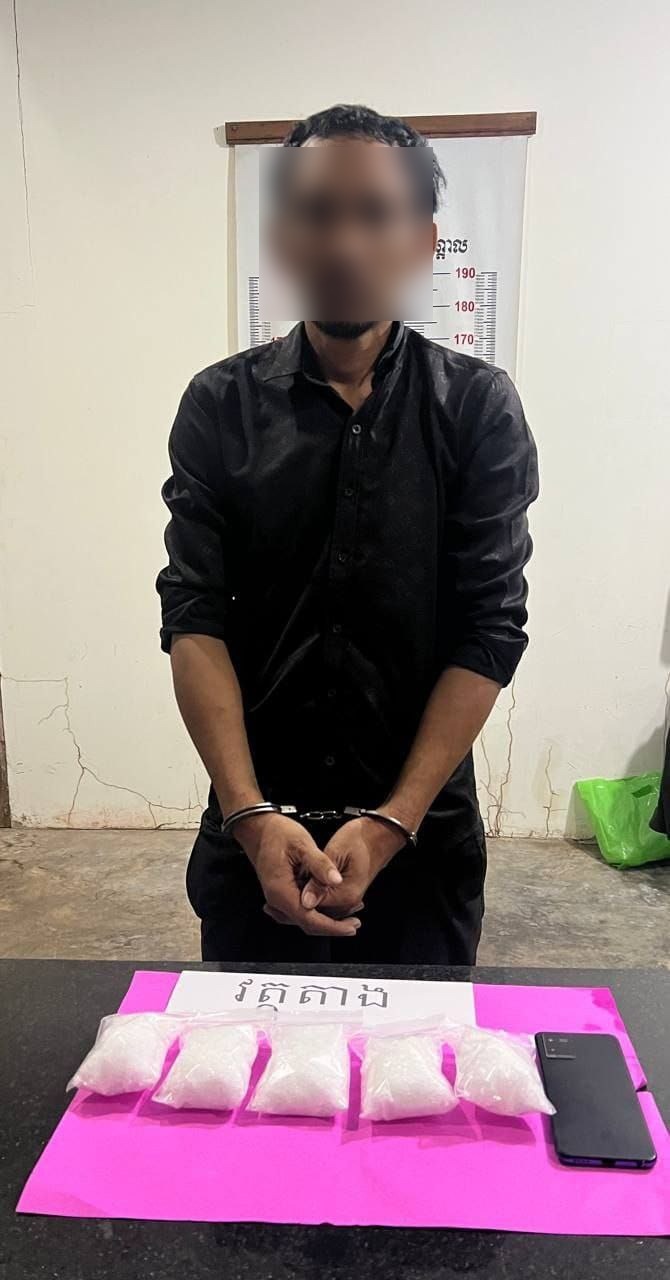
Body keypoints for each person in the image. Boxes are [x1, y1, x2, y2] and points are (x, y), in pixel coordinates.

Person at [156, 103, 539, 965]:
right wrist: (250, 814)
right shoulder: (219, 406)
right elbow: (193, 616)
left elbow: (489, 628)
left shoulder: (476, 410)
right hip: (256, 832)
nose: (345, 243)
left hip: (421, 840)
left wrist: (394, 820)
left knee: (422, 1052)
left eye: (375, 214)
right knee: (247, 1050)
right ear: (282, 239)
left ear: (423, 243)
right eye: (317, 213)